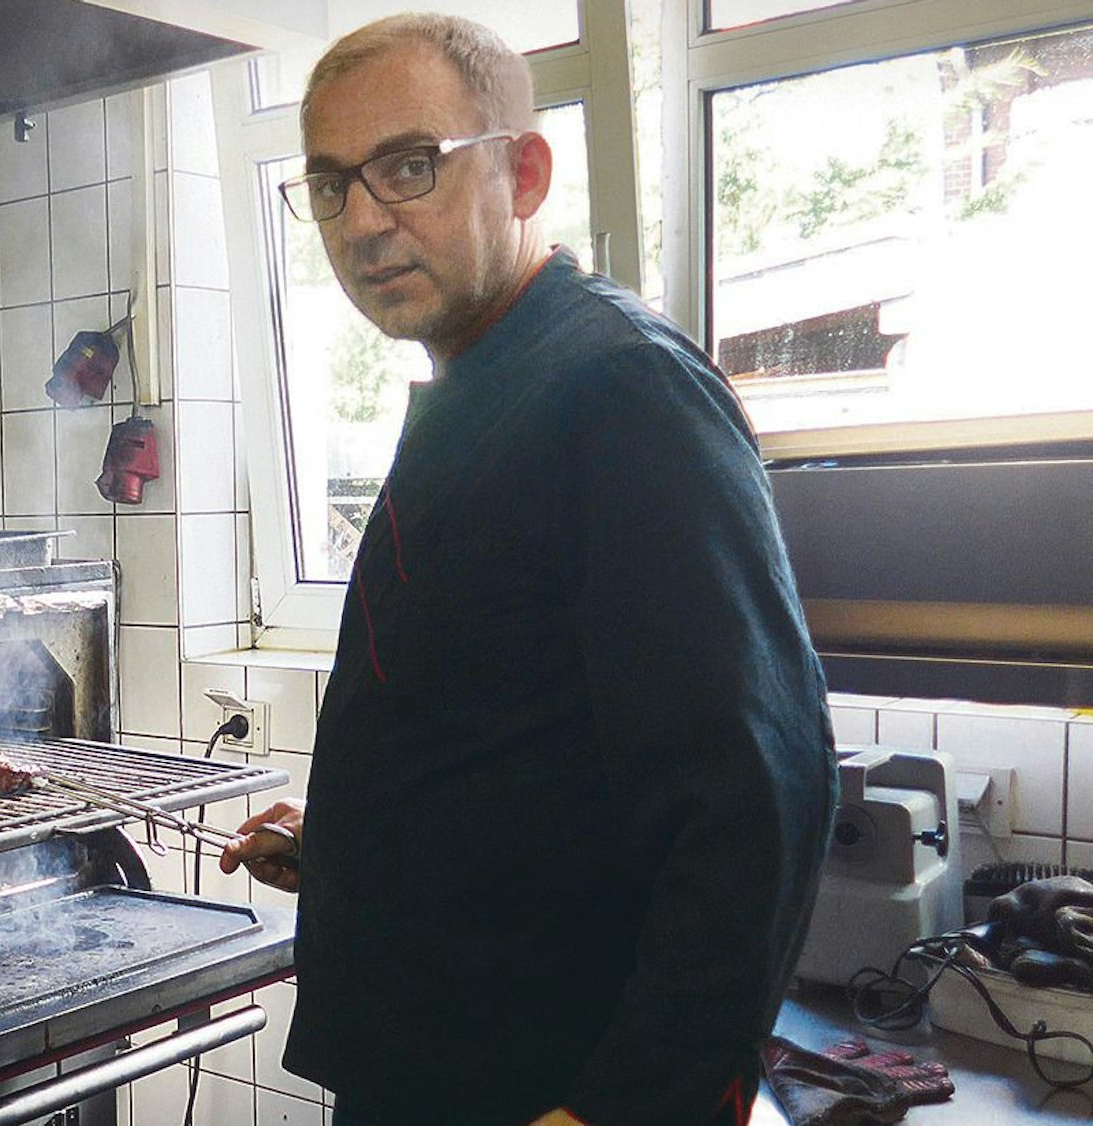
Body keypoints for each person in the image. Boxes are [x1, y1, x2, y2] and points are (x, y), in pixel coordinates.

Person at [217, 13, 838, 1125]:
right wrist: (343, 849)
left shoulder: (616, 388)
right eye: (328, 184)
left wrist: (628, 1107)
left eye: (409, 167)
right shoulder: (481, 384)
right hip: (427, 1070)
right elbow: (512, 732)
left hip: (541, 1087)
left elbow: (758, 799)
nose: (362, 221)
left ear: (525, 171)